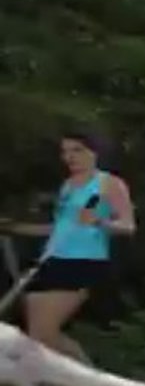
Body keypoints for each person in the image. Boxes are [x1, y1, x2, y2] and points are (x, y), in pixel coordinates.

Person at [0, 131, 135, 364]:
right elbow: (60, 228)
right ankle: (63, 383)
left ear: (94, 153)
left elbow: (128, 226)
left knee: (44, 333)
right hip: (52, 259)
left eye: (77, 150)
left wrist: (99, 222)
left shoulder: (109, 183)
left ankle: (90, 380)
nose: (70, 157)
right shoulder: (68, 186)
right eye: (65, 152)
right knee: (38, 337)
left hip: (84, 261)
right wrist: (16, 228)